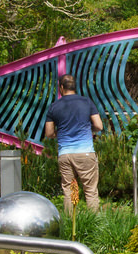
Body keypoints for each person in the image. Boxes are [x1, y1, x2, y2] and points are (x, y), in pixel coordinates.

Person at [44, 74, 103, 215]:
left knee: (69, 191)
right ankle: (93, 225)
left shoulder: (54, 107)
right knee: (90, 191)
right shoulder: (87, 102)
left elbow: (49, 133)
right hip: (85, 153)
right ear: (75, 87)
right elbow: (99, 126)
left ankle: (70, 226)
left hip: (65, 154)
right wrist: (89, 129)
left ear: (61, 87)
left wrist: (62, 133)